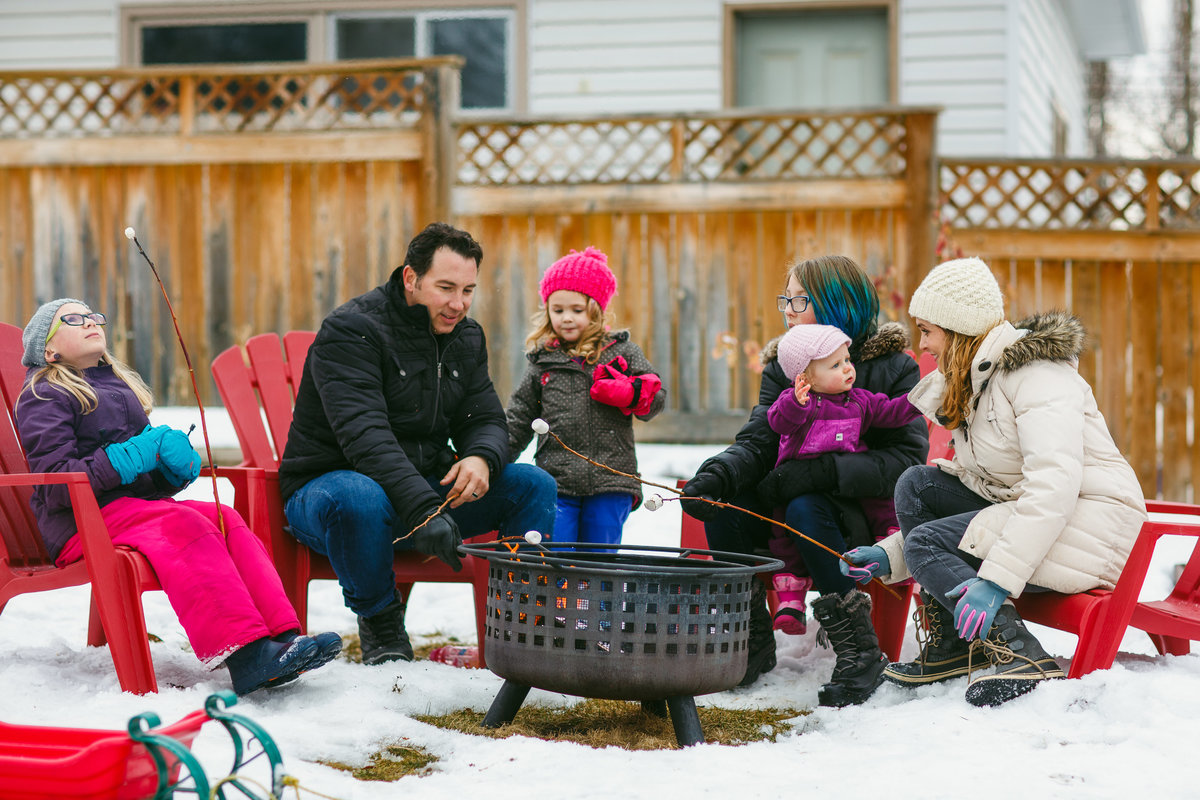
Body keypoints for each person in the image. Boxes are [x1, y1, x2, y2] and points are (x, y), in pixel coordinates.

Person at [841, 256, 1147, 707]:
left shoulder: (1038, 376)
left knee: (927, 541)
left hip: (1093, 523)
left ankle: (1023, 655)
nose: (924, 346)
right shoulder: (979, 383)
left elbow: (1053, 486)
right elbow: (981, 490)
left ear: (957, 328)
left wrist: (997, 580)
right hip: (1039, 519)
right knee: (918, 483)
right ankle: (951, 646)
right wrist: (888, 555)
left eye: (928, 331)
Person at [15, 299, 342, 696]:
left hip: (134, 514)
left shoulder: (118, 388)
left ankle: (282, 635)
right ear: (48, 350)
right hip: (81, 524)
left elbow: (142, 483)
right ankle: (246, 654)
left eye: (94, 316)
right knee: (181, 524)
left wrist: (169, 472)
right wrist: (126, 457)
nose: (90, 322)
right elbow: (54, 484)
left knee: (223, 517)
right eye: (73, 319)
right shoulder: (45, 393)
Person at [280, 222, 558, 666]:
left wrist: (481, 457)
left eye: (468, 290)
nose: (458, 303)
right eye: (445, 287)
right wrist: (424, 508)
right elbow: (365, 437)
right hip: (329, 492)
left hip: (422, 492)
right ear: (411, 278)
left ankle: (518, 625)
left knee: (531, 484)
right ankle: (381, 622)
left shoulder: (465, 337)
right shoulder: (353, 330)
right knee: (359, 496)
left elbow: (484, 417)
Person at [681, 255, 929, 700]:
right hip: (788, 507)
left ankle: (859, 652)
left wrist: (823, 472)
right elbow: (760, 439)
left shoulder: (893, 368)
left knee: (803, 505)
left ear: (835, 305)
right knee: (728, 507)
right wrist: (718, 475)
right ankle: (751, 640)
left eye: (799, 299)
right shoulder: (787, 366)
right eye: (786, 299)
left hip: (863, 515)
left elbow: (906, 459)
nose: (789, 310)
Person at [764, 323, 923, 645]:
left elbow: (892, 412)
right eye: (836, 365)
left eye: (847, 360)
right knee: (784, 531)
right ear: (805, 378)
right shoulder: (799, 402)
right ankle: (792, 599)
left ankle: (889, 537)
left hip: (844, 479)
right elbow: (777, 420)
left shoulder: (860, 400)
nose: (848, 369)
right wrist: (795, 400)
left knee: (881, 500)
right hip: (802, 484)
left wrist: (919, 400)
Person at [506, 247, 665, 550]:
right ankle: (561, 599)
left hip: (611, 479)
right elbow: (519, 418)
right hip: (557, 481)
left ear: (596, 309)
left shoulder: (622, 353)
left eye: (576, 310)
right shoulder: (543, 362)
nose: (566, 318)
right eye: (558, 310)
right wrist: (495, 461)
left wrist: (631, 392)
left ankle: (600, 601)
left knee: (599, 561)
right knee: (557, 556)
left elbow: (655, 402)